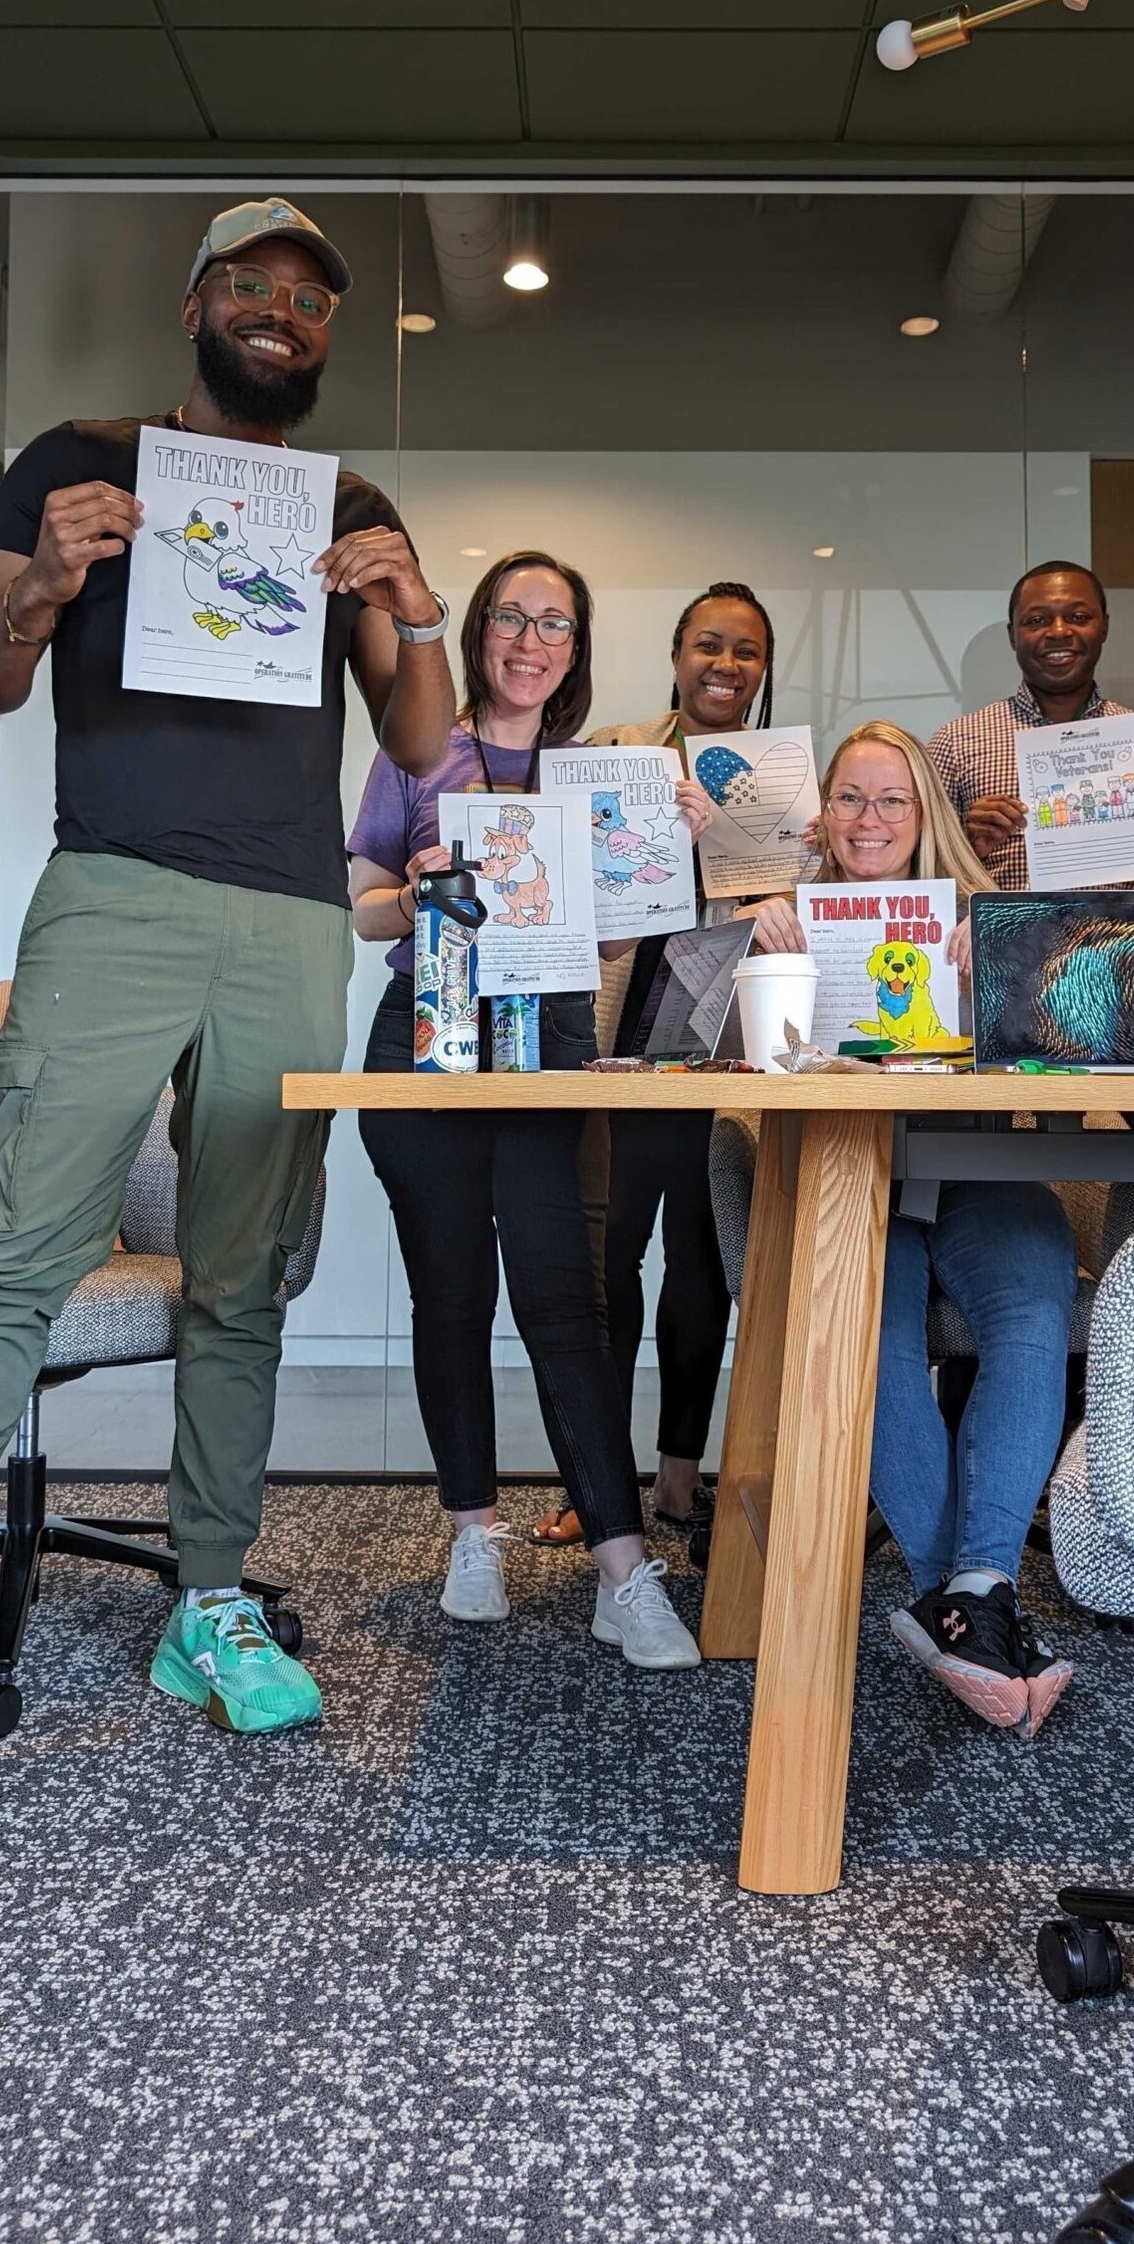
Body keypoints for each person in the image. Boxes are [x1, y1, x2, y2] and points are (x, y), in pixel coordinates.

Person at [0, 199, 460, 1834]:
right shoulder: (75, 458)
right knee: (20, 1257)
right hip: (111, 892)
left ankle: (210, 1600)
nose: (284, 310)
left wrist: (412, 607)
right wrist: (44, 573)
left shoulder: (350, 501)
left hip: (290, 913)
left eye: (312, 297)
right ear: (196, 305)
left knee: (242, 1272)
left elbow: (416, 740)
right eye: (253, 284)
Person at [346, 552, 700, 1670]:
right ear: (479, 630)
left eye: (555, 622)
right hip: (429, 1031)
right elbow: (361, 908)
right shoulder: (419, 748)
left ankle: (624, 1569)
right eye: (510, 615)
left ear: (577, 647)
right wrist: (416, 894)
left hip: (545, 1036)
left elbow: (608, 938)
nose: (530, 638)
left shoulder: (604, 770)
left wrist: (674, 842)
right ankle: (473, 1533)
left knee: (565, 1297)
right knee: (448, 1293)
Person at [746, 720, 1078, 1734]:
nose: (871, 818)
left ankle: (966, 1591)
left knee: (1030, 1312)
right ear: (824, 812)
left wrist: (1013, 971)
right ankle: (973, 1600)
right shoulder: (781, 914)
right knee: (871, 1333)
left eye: (893, 798)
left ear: (926, 810)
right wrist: (753, 956)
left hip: (982, 1170)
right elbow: (716, 1060)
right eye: (851, 797)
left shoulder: (998, 918)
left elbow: (1078, 1053)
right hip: (853, 1182)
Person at [531, 582, 790, 1553]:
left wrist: (725, 835)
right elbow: (566, 881)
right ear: (678, 654)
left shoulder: (779, 779)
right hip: (618, 1043)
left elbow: (800, 905)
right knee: (604, 1269)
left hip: (724, 1050)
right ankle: (592, 1484)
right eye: (711, 646)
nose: (727, 665)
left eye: (748, 652)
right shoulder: (612, 754)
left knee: (701, 1267)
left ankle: (681, 1480)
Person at [925, 563, 1134, 891]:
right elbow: (922, 885)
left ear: (1104, 627)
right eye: (1036, 620)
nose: (1059, 631)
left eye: (1078, 617)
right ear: (1012, 635)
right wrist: (965, 848)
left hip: (1127, 941)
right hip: (1007, 942)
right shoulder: (956, 744)